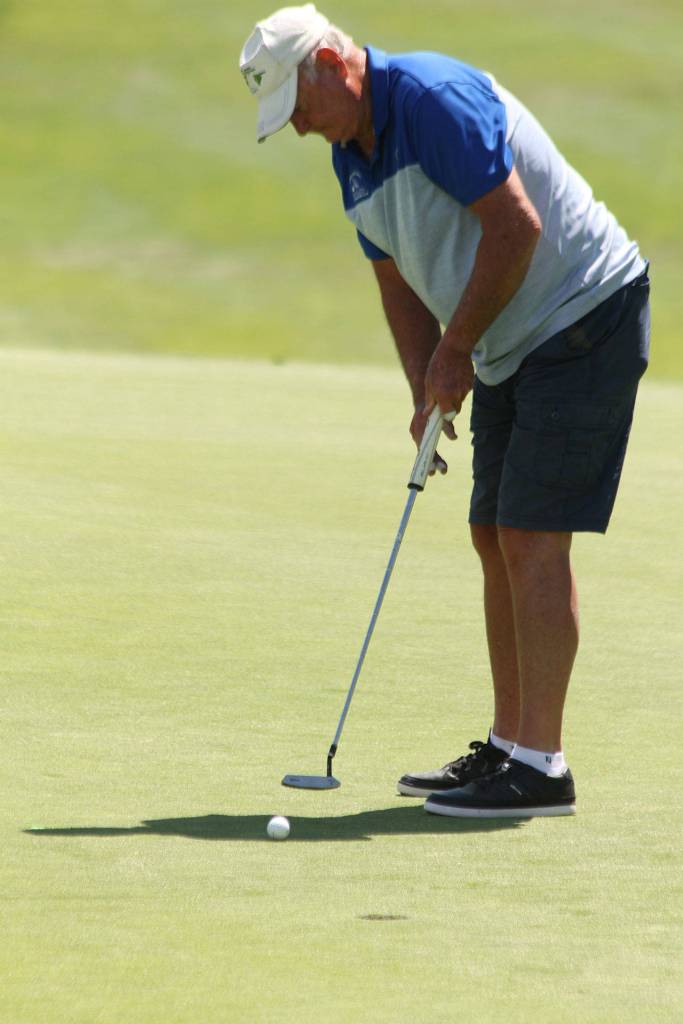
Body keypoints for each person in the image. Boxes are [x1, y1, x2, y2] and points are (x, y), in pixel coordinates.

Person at [239, 5, 650, 818]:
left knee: (532, 534)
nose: (296, 130)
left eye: (298, 107)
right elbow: (395, 279)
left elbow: (514, 227)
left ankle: (542, 767)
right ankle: (507, 747)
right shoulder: (350, 153)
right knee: (489, 530)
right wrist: (423, 389)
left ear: (329, 62)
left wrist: (454, 351)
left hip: (581, 312)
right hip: (507, 335)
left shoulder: (430, 99)